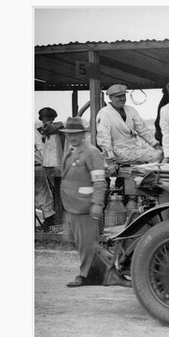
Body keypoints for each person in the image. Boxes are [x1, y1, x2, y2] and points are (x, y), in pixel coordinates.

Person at [59, 118, 107, 287]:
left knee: (85, 243)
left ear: (83, 134)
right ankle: (105, 258)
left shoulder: (91, 152)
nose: (72, 137)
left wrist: (97, 204)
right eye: (69, 134)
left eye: (76, 134)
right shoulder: (71, 150)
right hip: (71, 205)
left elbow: (100, 180)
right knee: (71, 239)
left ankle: (85, 275)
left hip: (85, 206)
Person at [95, 84, 162, 169]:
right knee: (157, 155)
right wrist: (110, 162)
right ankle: (145, 179)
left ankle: (142, 178)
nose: (122, 99)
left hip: (134, 147)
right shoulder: (105, 113)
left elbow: (143, 130)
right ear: (111, 98)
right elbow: (103, 139)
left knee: (161, 152)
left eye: (123, 96)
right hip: (118, 151)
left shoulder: (130, 110)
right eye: (118, 97)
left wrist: (156, 145)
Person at [34, 106, 63, 230]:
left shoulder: (47, 129)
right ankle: (48, 221)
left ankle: (49, 222)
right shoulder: (35, 130)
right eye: (46, 119)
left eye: (51, 119)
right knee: (42, 192)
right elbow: (41, 148)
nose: (48, 122)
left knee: (44, 192)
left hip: (42, 166)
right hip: (38, 165)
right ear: (41, 119)